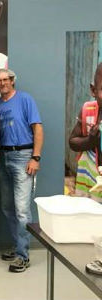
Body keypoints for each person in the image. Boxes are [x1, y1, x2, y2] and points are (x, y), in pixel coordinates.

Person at [0, 68, 43, 273]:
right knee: (7, 208)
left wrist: (35, 157)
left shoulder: (25, 99)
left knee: (22, 210)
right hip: (3, 157)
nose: (3, 83)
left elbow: (37, 128)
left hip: (23, 156)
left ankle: (23, 256)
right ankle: (18, 246)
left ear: (12, 81)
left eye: (6, 79)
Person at [69, 63, 102, 201]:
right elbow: (72, 142)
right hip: (88, 181)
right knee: (88, 218)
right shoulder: (88, 110)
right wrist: (90, 141)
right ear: (93, 90)